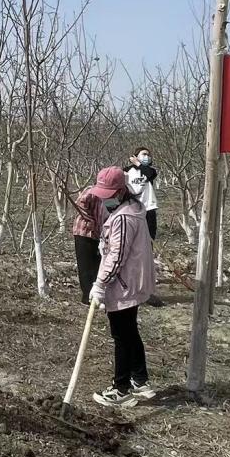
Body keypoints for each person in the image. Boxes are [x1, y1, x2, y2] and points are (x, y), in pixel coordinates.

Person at [87, 166, 156, 408]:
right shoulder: (133, 208)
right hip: (132, 281)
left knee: (121, 335)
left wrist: (100, 284)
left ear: (119, 191)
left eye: (106, 193)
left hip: (124, 283)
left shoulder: (124, 217)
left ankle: (121, 388)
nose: (103, 198)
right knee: (129, 331)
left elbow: (117, 256)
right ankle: (140, 380)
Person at [125, 146, 164, 307]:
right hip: (133, 212)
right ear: (135, 156)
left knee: (147, 249)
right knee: (133, 249)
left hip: (149, 212)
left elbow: (150, 174)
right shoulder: (126, 172)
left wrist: (140, 164)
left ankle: (146, 290)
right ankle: (131, 287)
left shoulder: (149, 171)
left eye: (149, 154)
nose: (147, 156)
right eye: (144, 154)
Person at [71, 176, 109, 303]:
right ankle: (87, 296)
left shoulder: (108, 196)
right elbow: (80, 203)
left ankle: (96, 294)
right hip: (84, 232)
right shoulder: (91, 191)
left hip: (97, 234)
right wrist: (90, 219)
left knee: (96, 264)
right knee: (85, 265)